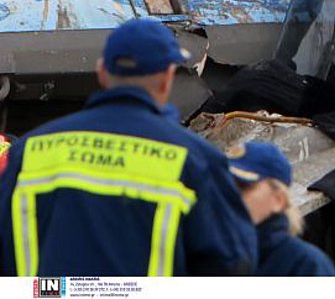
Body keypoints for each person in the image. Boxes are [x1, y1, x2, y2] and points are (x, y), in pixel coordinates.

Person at [0, 18, 257, 277]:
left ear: (102, 71)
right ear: (168, 78)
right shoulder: (197, 162)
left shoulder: (32, 151)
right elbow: (233, 261)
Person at [227, 141, 335, 276]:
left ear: (279, 200)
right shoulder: (204, 256)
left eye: (242, 186)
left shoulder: (305, 265)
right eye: (224, 184)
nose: (229, 193)